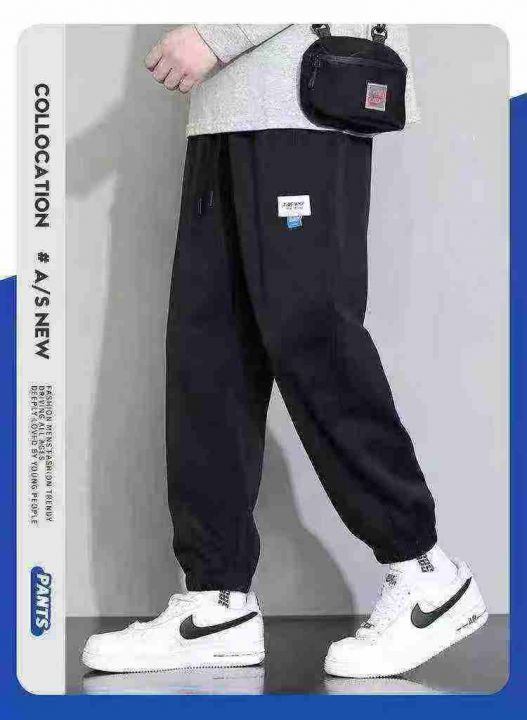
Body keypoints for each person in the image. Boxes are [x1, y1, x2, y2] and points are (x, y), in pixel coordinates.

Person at [82, 24, 487, 679]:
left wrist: (218, 32)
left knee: (311, 337)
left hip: (300, 96)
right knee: (209, 352)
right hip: (224, 106)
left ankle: (425, 572)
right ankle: (217, 600)